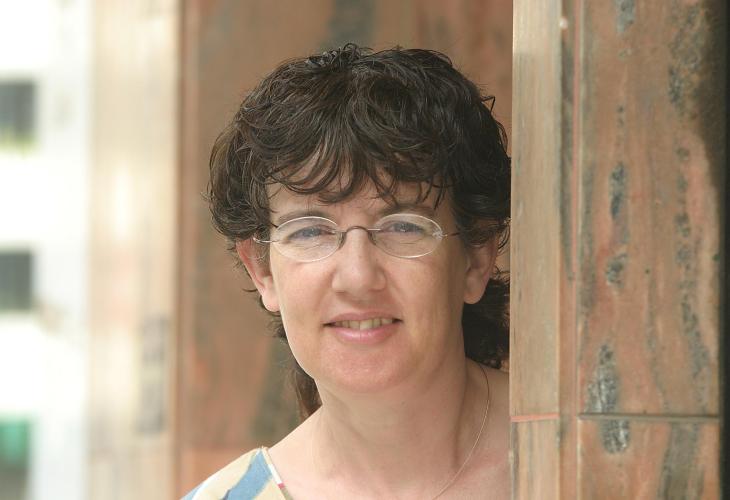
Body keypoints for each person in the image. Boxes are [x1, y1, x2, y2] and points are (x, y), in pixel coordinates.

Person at [184, 43, 511, 499]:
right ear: (262, 270)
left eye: (402, 226)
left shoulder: (589, 455)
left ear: (476, 256)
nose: (358, 278)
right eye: (310, 231)